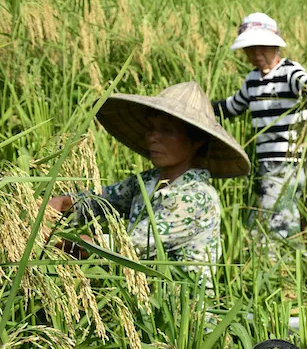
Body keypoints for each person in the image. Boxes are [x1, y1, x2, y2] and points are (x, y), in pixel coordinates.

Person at [47, 82, 250, 286]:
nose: (153, 137)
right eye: (152, 128)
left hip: (184, 310)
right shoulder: (147, 181)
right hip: (143, 299)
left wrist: (51, 240)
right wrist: (59, 203)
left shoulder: (196, 197)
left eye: (166, 130)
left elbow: (126, 246)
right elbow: (98, 201)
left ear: (197, 140)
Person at [213, 13, 307, 240]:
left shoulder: (289, 71)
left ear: (275, 46)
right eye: (250, 49)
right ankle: (270, 255)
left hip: (289, 160)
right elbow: (232, 106)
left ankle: (285, 259)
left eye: (262, 47)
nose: (256, 54)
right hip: (266, 160)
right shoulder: (252, 80)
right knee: (269, 212)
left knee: (278, 214)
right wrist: (201, 108)